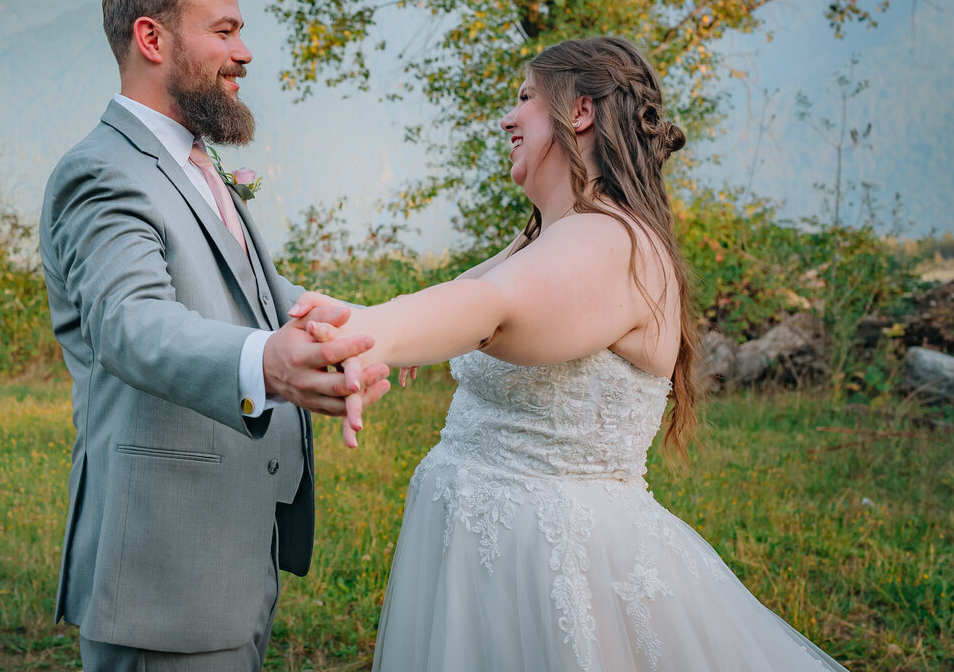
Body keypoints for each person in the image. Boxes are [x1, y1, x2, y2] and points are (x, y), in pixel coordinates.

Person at [303, 37, 849, 670]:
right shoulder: (547, 237)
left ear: (580, 112)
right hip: (487, 541)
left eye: (525, 98)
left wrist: (374, 332)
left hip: (554, 561)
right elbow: (457, 296)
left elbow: (490, 311)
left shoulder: (609, 240)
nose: (509, 119)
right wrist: (370, 321)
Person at [38, 0, 390, 672]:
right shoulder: (103, 171)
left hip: (229, 556)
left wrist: (362, 331)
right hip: (163, 574)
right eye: (225, 31)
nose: (245, 52)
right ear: (153, 39)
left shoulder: (191, 158)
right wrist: (266, 361)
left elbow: (252, 287)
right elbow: (128, 322)